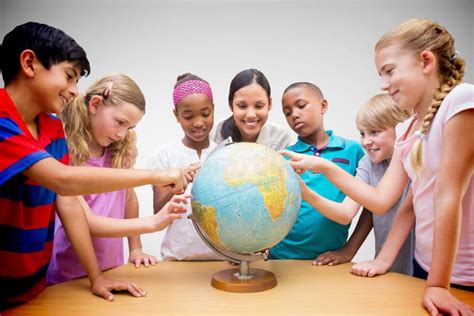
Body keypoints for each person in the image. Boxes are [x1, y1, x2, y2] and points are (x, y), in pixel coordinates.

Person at [281, 18, 473, 315]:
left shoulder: (460, 100)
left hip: (458, 276)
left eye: (389, 71)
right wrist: (383, 261)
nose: (384, 84)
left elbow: (448, 195)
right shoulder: (408, 129)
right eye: (380, 75)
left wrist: (438, 284)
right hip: (426, 269)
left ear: (426, 61)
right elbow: (387, 201)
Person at [0, 22, 191, 308]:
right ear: (29, 63)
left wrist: (96, 277)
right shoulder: (3, 122)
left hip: (34, 282)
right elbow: (63, 180)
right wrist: (156, 177)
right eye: (69, 76)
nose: (75, 91)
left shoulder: (52, 129)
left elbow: (70, 206)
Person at [46, 73, 188, 285]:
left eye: (129, 127)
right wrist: (152, 223)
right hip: (70, 275)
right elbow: (87, 223)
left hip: (113, 268)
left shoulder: (119, 151)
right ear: (95, 104)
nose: (122, 134)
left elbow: (129, 199)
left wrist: (136, 248)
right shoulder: (65, 152)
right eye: (119, 122)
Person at [298, 94, 415, 275]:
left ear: (401, 128)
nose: (366, 141)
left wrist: (324, 167)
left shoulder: (415, 161)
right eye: (362, 133)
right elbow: (345, 213)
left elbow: (390, 206)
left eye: (375, 132)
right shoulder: (369, 164)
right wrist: (304, 192)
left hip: (422, 263)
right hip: (390, 267)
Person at [269, 82, 365, 260]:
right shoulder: (283, 158)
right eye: (287, 112)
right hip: (281, 258)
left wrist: (349, 250)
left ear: (323, 106)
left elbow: (371, 206)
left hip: (329, 261)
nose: (294, 115)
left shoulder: (354, 151)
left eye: (301, 105)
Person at [149, 73, 222, 260]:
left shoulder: (224, 154)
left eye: (205, 114)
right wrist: (176, 187)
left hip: (220, 260)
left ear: (213, 110)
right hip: (177, 259)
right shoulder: (165, 155)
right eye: (188, 116)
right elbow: (158, 213)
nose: (198, 123)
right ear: (176, 115)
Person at [212, 68, 295, 150]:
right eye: (242, 106)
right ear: (231, 105)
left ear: (269, 103)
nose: (251, 115)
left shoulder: (281, 138)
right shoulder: (213, 134)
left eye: (259, 106)